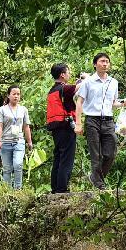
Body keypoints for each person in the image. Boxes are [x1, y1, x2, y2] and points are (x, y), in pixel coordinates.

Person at [75, 53, 126, 190]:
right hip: (92, 120)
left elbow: (113, 102)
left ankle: (95, 177)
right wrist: (78, 123)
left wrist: (123, 104)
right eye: (102, 61)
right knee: (96, 154)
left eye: (107, 61)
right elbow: (79, 101)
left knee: (111, 153)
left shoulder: (114, 82)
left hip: (108, 121)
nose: (105, 64)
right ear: (95, 64)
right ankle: (100, 185)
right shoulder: (88, 82)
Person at [46, 64, 81, 193]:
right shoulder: (64, 88)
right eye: (68, 72)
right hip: (65, 126)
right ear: (62, 74)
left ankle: (55, 187)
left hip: (55, 127)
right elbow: (78, 87)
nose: (69, 74)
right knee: (67, 158)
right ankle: (61, 189)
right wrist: (86, 78)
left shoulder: (52, 90)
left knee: (58, 157)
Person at [0, 85, 33, 190]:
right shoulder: (2, 110)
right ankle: (7, 190)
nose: (16, 96)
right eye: (14, 94)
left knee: (18, 164)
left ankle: (18, 189)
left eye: (18, 94)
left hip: (19, 141)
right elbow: (0, 125)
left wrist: (29, 142)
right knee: (7, 168)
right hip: (5, 142)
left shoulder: (23, 109)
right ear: (8, 95)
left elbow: (26, 126)